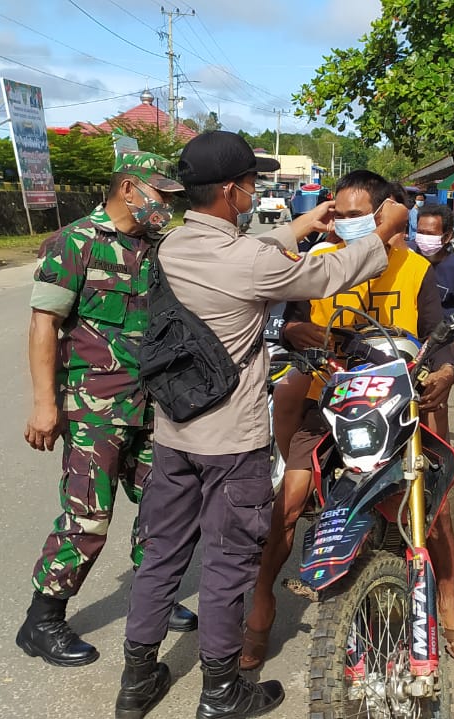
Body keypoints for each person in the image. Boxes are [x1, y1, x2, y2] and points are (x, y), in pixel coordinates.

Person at [115, 131, 405, 719]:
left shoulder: (172, 246)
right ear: (230, 190)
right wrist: (380, 230)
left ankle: (137, 679)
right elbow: (324, 278)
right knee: (227, 562)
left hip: (176, 432)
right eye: (249, 182)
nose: (253, 190)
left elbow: (242, 255)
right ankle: (221, 692)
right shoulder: (250, 263)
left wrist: (300, 227)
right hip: (231, 443)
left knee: (163, 554)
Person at [243, 170, 454, 671]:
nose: (343, 226)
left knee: (435, 513)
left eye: (355, 217)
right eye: (340, 216)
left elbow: (440, 334)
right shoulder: (319, 262)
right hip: (326, 398)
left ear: (386, 215)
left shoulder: (415, 269)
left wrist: (447, 369)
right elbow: (292, 323)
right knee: (289, 503)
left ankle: (451, 613)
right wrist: (308, 338)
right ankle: (259, 612)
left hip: (401, 401)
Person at [16, 151, 198, 669]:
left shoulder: (158, 247)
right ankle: (42, 619)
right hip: (94, 407)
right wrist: (44, 404)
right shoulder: (74, 243)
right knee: (88, 517)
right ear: (129, 190)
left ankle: (153, 599)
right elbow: (42, 326)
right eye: (160, 195)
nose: (166, 206)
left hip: (152, 404)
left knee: (164, 509)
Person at [413, 202, 454, 366]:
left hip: (440, 343)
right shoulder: (408, 256)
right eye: (420, 233)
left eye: (430, 234)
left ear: (447, 236)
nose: (423, 238)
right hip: (407, 339)